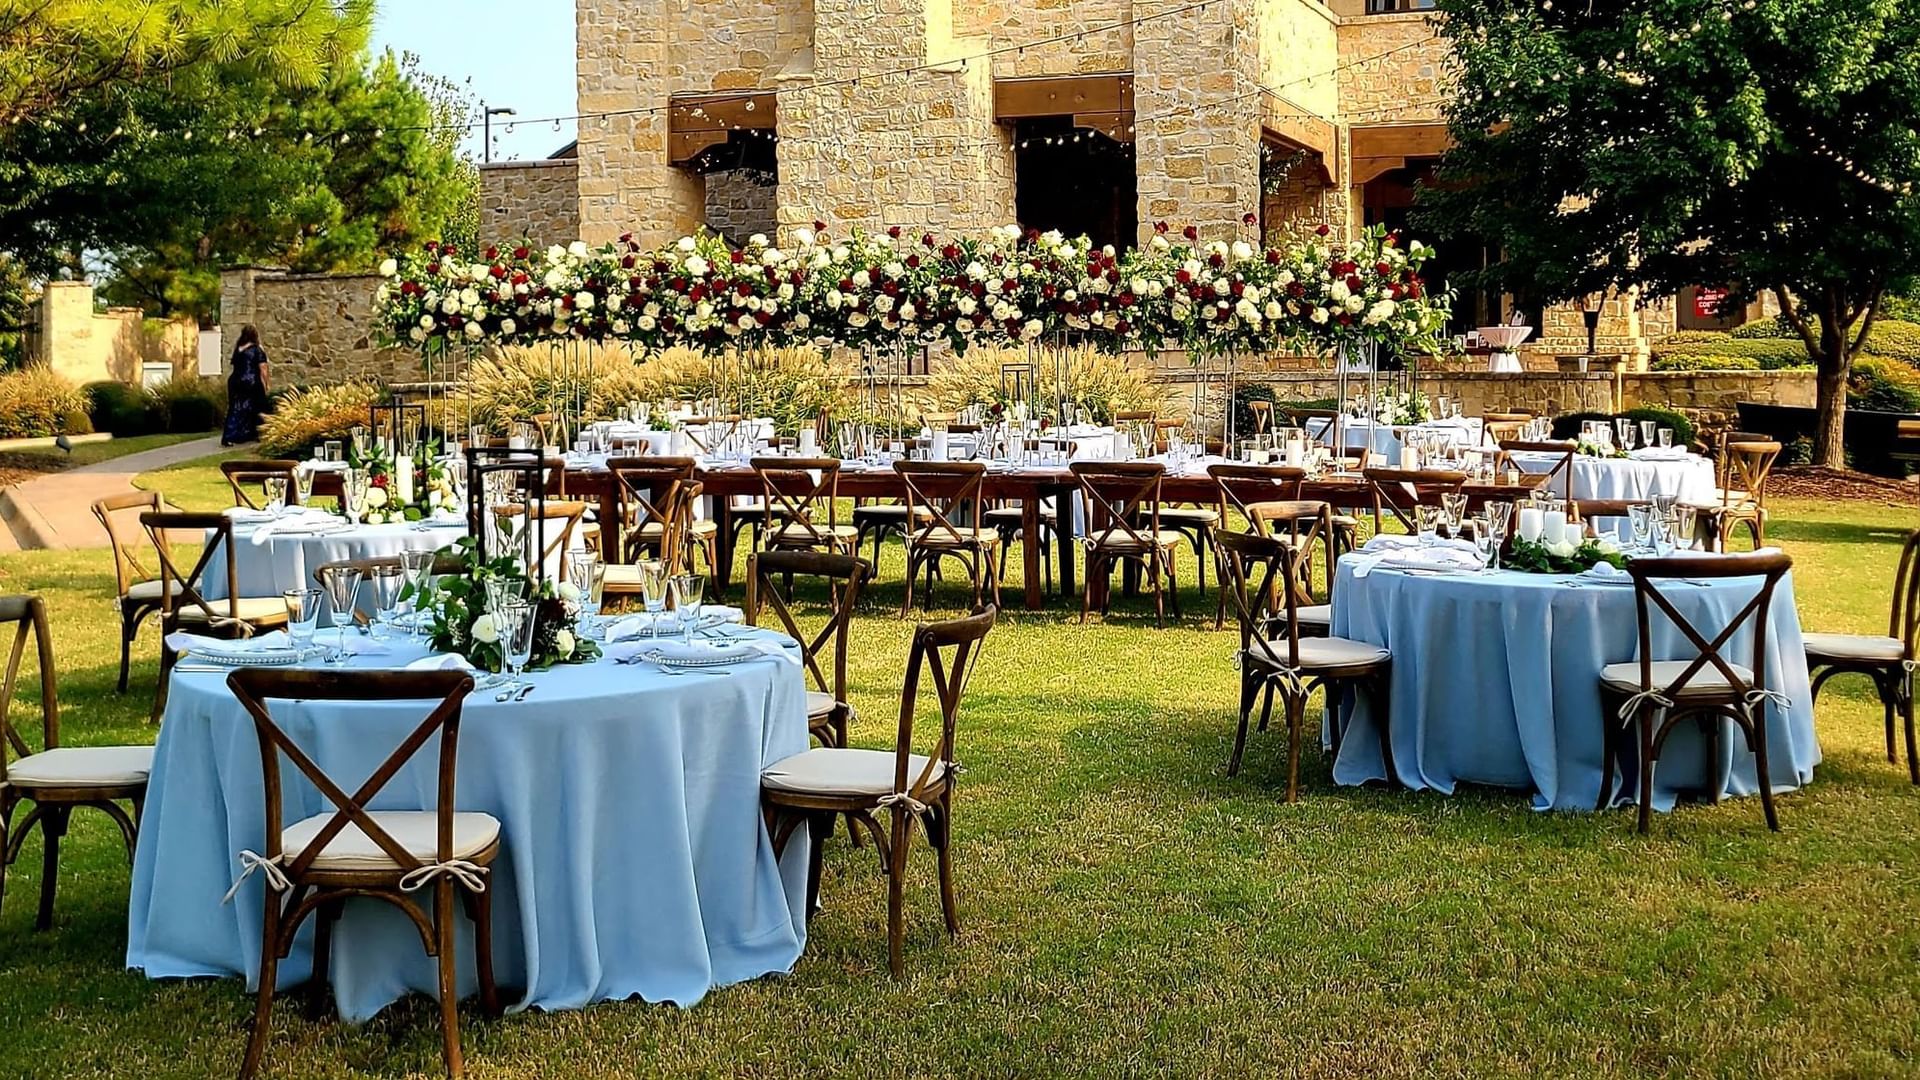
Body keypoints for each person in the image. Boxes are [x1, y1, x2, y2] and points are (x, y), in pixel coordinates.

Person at [221, 325, 271, 446]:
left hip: (235, 381)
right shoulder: (257, 350)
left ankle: (234, 435)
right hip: (250, 382)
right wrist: (266, 384)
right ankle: (257, 433)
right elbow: (263, 369)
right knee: (257, 407)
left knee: (235, 407)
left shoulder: (238, 349)